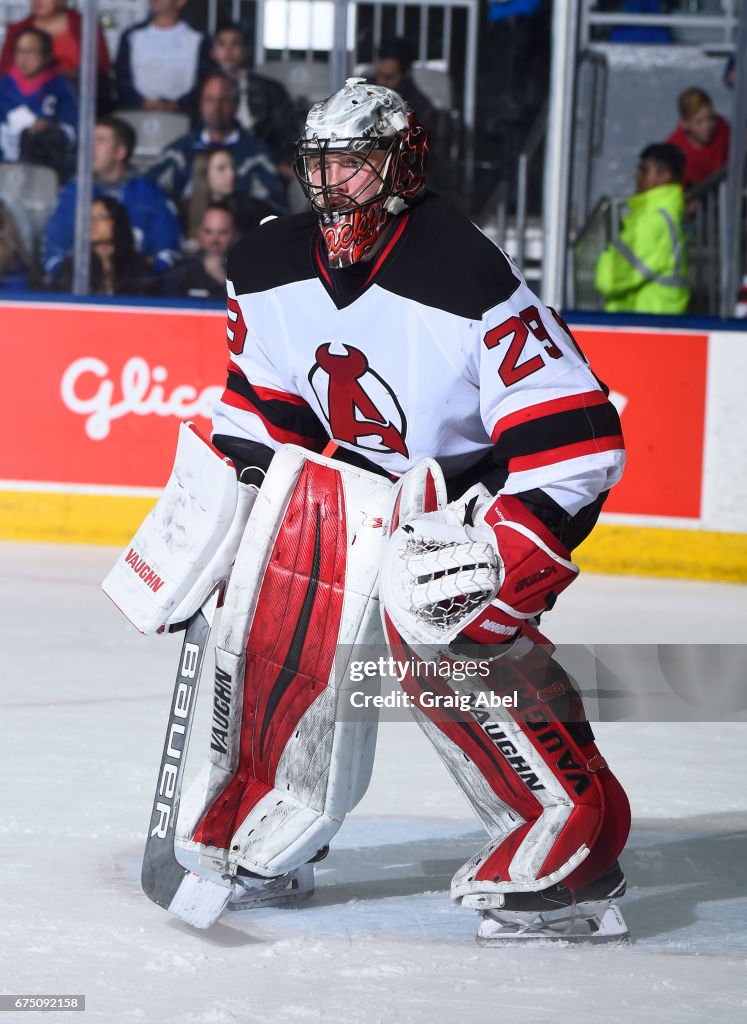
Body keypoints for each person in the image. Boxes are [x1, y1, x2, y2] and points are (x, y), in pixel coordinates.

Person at [162, 79, 631, 943]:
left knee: (441, 622)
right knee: (274, 613)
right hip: (351, 487)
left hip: (462, 494)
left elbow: (579, 439)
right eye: (322, 163)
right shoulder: (265, 267)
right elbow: (262, 417)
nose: (334, 181)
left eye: (355, 162)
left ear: (401, 163)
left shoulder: (464, 270)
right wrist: (217, 524)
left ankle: (571, 844)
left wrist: (511, 552)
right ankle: (273, 817)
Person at [42, 115, 181, 282]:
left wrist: (141, 276)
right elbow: (53, 252)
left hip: (136, 296)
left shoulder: (150, 194)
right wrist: (69, 276)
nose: (90, 148)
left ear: (120, 152)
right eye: (90, 140)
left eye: (100, 141)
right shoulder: (73, 194)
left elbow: (169, 250)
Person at [145, 73, 283, 207]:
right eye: (210, 99)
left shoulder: (257, 154)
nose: (216, 107)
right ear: (201, 104)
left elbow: (271, 206)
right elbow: (148, 192)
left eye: (224, 100)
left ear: (235, 105)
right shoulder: (178, 150)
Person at [595, 142, 689, 314]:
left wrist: (606, 259)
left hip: (646, 323)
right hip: (649, 321)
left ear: (665, 176)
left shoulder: (655, 220)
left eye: (644, 170)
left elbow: (608, 279)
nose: (636, 176)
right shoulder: (661, 215)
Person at [209, 22, 298, 181]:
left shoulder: (271, 91)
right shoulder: (203, 92)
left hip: (263, 163)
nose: (228, 51)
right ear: (213, 52)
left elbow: (287, 135)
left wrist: (278, 162)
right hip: (216, 164)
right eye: (222, 44)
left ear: (245, 51)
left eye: (235, 44)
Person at [0, 0, 113, 110]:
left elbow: (102, 67)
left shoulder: (85, 25)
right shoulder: (17, 29)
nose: (38, 1)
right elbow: (6, 72)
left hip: (80, 95)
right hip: (29, 97)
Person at [0, 26, 77, 179]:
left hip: (46, 170)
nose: (23, 57)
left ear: (46, 55)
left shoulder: (60, 87)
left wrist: (49, 129)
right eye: (19, 51)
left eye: (30, 51)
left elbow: (72, 131)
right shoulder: (3, 86)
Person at [114, 0, 211, 115]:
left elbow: (204, 81)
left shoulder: (198, 39)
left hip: (184, 116)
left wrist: (178, 104)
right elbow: (122, 78)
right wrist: (141, 102)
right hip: (137, 113)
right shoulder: (132, 36)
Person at [52, 194, 158, 296]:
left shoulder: (136, 265)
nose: (92, 223)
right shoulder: (74, 265)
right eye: (89, 218)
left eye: (101, 217)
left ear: (117, 222)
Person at [183, 146, 278, 245]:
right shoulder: (184, 211)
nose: (231, 174)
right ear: (204, 174)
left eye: (232, 167)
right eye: (221, 168)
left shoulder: (250, 209)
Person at [164, 201, 239, 299]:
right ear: (199, 233)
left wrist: (222, 279)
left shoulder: (246, 270)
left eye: (222, 233)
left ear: (235, 235)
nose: (214, 240)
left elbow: (249, 308)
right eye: (208, 232)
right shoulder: (182, 269)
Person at [375, 37, 439, 146]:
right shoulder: (368, 92)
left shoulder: (421, 109)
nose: (381, 81)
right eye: (378, 75)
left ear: (406, 73)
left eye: (389, 77)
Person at [666, 87, 730, 191]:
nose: (707, 126)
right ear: (684, 123)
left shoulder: (723, 129)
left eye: (710, 118)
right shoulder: (674, 150)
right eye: (699, 122)